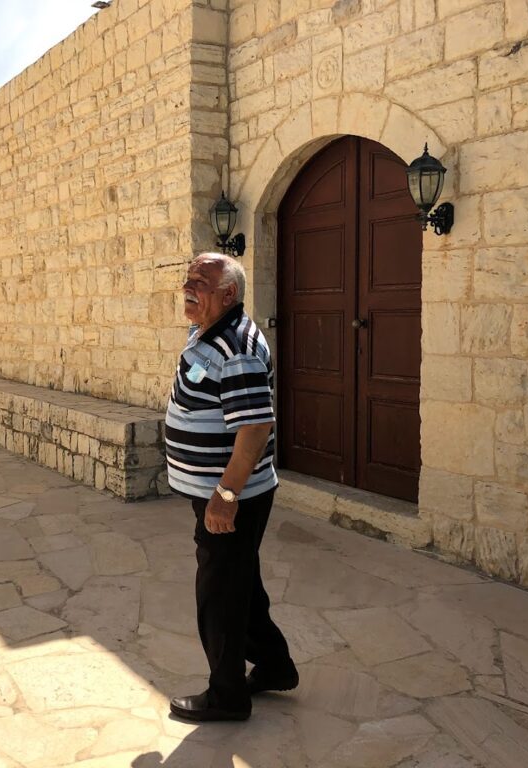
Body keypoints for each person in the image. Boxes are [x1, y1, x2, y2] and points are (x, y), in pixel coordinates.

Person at [165, 252, 298, 722]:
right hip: (218, 493)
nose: (188, 286)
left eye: (200, 281)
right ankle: (275, 665)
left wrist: (225, 495)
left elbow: (255, 429)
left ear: (229, 294)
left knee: (218, 594)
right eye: (188, 278)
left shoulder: (237, 349)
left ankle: (227, 695)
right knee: (239, 583)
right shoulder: (207, 329)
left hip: (230, 497)